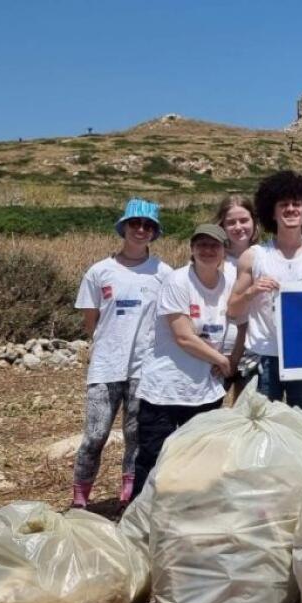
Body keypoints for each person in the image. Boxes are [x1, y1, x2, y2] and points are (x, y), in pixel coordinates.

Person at [70, 198, 172, 509]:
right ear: (124, 227)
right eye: (135, 224)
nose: (140, 230)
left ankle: (127, 496)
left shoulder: (163, 272)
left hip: (145, 367)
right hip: (106, 366)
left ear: (154, 233)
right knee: (95, 435)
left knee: (135, 435)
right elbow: (92, 320)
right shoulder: (99, 272)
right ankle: (80, 497)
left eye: (147, 226)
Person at [132, 224, 238, 500]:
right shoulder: (178, 282)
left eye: (214, 245)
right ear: (191, 249)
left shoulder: (230, 281)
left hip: (206, 389)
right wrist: (222, 361)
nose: (207, 250)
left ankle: (190, 511)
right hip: (166, 390)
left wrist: (231, 358)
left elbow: (239, 320)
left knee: (201, 459)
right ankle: (139, 515)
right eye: (201, 244)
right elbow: (183, 336)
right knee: (154, 457)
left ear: (224, 250)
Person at [228, 171, 302, 422]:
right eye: (284, 204)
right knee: (258, 433)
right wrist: (251, 291)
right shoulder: (254, 257)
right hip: (262, 357)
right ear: (272, 211)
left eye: (296, 204)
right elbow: (233, 311)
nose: (291, 209)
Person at [213, 194, 257, 399]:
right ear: (222, 225)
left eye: (244, 220)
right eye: (231, 222)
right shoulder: (211, 259)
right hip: (216, 352)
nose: (238, 227)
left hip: (254, 353)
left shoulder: (265, 257)